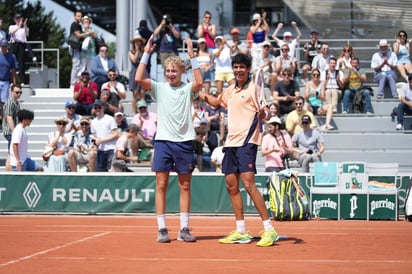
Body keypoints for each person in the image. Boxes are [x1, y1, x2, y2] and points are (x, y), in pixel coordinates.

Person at [198, 53, 279, 247]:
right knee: (231, 185)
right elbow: (217, 102)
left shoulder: (254, 89)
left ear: (248, 68)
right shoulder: (230, 90)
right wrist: (197, 94)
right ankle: (241, 230)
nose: (238, 70)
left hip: (247, 142)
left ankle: (269, 229)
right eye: (235, 67)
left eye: (242, 67)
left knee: (249, 184)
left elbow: (267, 113)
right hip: (231, 143)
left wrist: (264, 114)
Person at [135, 35, 202, 243]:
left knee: (185, 186)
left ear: (182, 72)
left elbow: (199, 81)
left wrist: (192, 56)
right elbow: (138, 79)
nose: (170, 74)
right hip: (163, 141)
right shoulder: (159, 87)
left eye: (174, 71)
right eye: (168, 71)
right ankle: (162, 229)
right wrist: (146, 52)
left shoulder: (188, 88)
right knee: (161, 185)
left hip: (183, 143)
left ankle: (184, 228)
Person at [90, 100, 119, 172]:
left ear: (103, 108)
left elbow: (116, 134)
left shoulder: (110, 119)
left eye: (99, 107)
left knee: (110, 172)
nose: (97, 109)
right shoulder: (93, 121)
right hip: (100, 151)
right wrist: (94, 145)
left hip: (111, 149)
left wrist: (101, 141)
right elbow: (94, 137)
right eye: (95, 108)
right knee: (100, 173)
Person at [8, 13, 34, 85]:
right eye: (17, 19)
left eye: (19, 19)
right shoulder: (12, 26)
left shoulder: (25, 28)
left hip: (22, 45)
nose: (18, 20)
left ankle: (22, 80)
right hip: (14, 44)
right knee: (12, 62)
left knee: (21, 62)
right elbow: (11, 33)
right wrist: (19, 26)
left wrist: (24, 25)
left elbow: (27, 34)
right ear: (14, 20)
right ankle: (12, 80)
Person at [2, 84, 22, 171]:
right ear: (12, 92)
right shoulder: (10, 102)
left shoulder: (16, 102)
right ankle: (8, 170)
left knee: (11, 152)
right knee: (11, 152)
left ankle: (9, 170)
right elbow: (9, 117)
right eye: (17, 92)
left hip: (13, 131)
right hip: (10, 131)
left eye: (20, 92)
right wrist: (14, 131)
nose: (19, 94)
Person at [0, 39, 17, 129]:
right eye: (2, 46)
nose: (3, 48)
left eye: (5, 46)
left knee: (4, 103)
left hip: (5, 81)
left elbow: (13, 71)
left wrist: (14, 84)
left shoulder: (12, 56)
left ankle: (4, 122)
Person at [128, 32, 147, 112]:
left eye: (139, 41)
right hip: (135, 72)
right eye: (136, 41)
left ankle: (143, 111)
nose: (137, 43)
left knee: (142, 93)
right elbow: (134, 60)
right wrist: (137, 51)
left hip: (143, 72)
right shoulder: (131, 52)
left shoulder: (144, 52)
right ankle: (134, 112)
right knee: (135, 94)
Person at [68, 11, 84, 86]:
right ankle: (73, 84)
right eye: (78, 16)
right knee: (76, 65)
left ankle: (76, 82)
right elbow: (78, 35)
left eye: (81, 16)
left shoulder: (79, 26)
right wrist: (87, 34)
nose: (80, 18)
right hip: (74, 47)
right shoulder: (74, 25)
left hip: (78, 47)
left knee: (79, 65)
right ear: (74, 16)